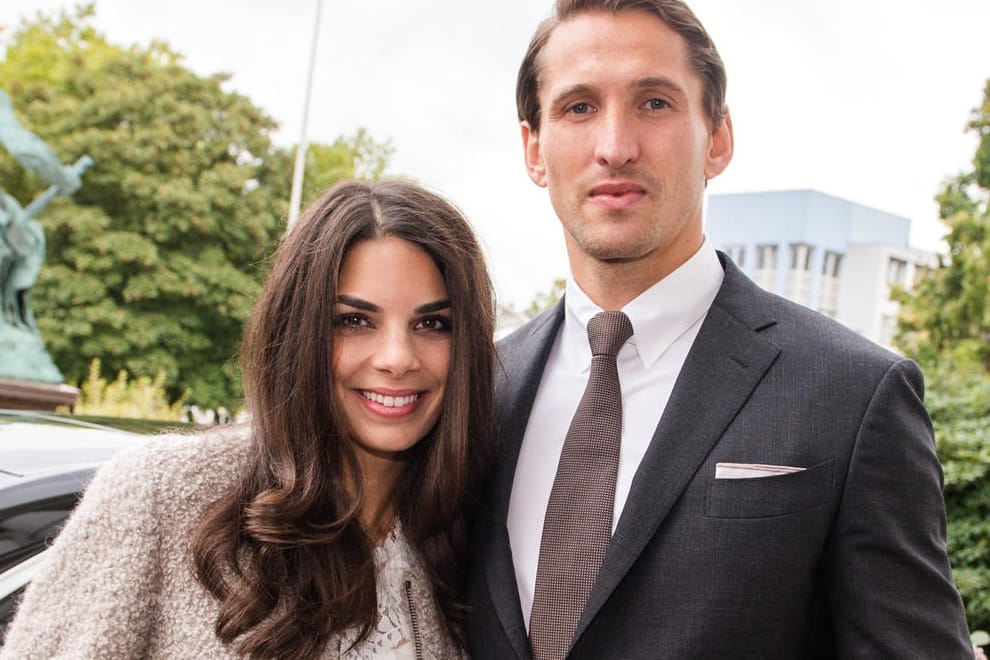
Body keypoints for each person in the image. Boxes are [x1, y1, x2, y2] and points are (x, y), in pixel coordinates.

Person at [467, 1, 974, 658]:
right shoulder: (478, 391)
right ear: (535, 149)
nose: (615, 146)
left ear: (720, 139)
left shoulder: (853, 396)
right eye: (579, 107)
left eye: (654, 103)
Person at [1, 179, 497, 659]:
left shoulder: (464, 541)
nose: (397, 357)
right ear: (298, 331)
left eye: (433, 324)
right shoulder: (161, 494)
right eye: (354, 321)